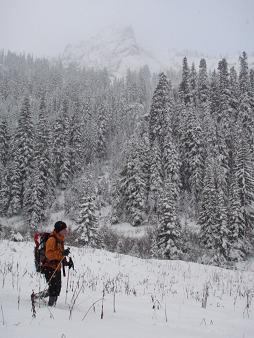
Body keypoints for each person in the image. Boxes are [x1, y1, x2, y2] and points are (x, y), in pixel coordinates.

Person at [43, 221, 71, 306]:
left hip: (57, 267)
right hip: (49, 267)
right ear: (59, 230)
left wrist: (67, 262)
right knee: (53, 289)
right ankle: (51, 306)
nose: (66, 231)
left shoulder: (60, 239)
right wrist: (62, 254)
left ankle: (36, 296)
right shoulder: (52, 239)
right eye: (64, 229)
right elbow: (49, 254)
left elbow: (60, 254)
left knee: (57, 288)